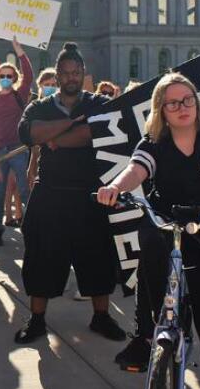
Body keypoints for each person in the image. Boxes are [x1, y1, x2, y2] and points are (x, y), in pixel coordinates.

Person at [97, 73, 200, 386]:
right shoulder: (154, 142)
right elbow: (136, 168)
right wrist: (115, 187)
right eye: (172, 103)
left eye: (187, 99)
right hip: (170, 222)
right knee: (150, 240)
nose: (182, 107)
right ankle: (147, 334)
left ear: (197, 102)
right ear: (161, 109)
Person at [13, 43, 126, 344]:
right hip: (50, 192)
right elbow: (29, 133)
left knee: (98, 258)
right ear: (58, 75)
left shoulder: (99, 104)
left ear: (84, 74)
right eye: (66, 73)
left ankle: (101, 317)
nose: (72, 77)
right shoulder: (39, 105)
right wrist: (73, 127)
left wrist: (57, 137)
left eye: (77, 72)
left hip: (91, 194)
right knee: (41, 257)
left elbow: (98, 133)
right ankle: (37, 320)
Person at [0, 38, 34, 246]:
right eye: (2, 75)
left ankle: (33, 226)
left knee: (24, 189)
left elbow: (30, 75)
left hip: (18, 149)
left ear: (14, 78)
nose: (5, 78)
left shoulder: (19, 95)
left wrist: (19, 51)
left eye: (9, 75)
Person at [27, 69, 57, 188]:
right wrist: (31, 166)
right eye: (47, 85)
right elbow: (35, 145)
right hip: (42, 159)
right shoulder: (35, 108)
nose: (50, 87)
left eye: (54, 85)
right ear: (40, 85)